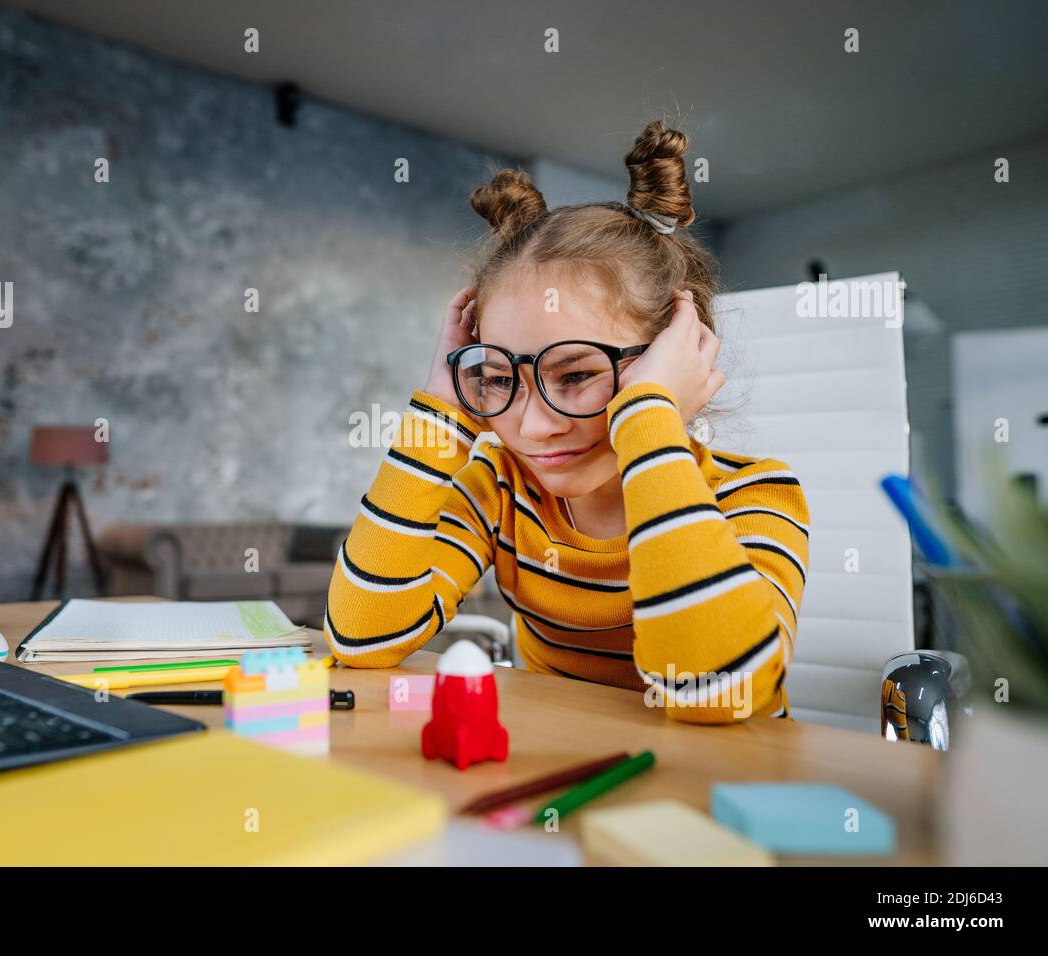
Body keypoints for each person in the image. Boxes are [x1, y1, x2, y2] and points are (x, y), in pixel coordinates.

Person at [325, 121, 809, 722]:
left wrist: (650, 423)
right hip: (562, 777)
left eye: (577, 375)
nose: (533, 426)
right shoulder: (501, 489)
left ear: (680, 358)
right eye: (500, 379)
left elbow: (713, 694)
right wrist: (443, 411)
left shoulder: (759, 495)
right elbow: (362, 637)